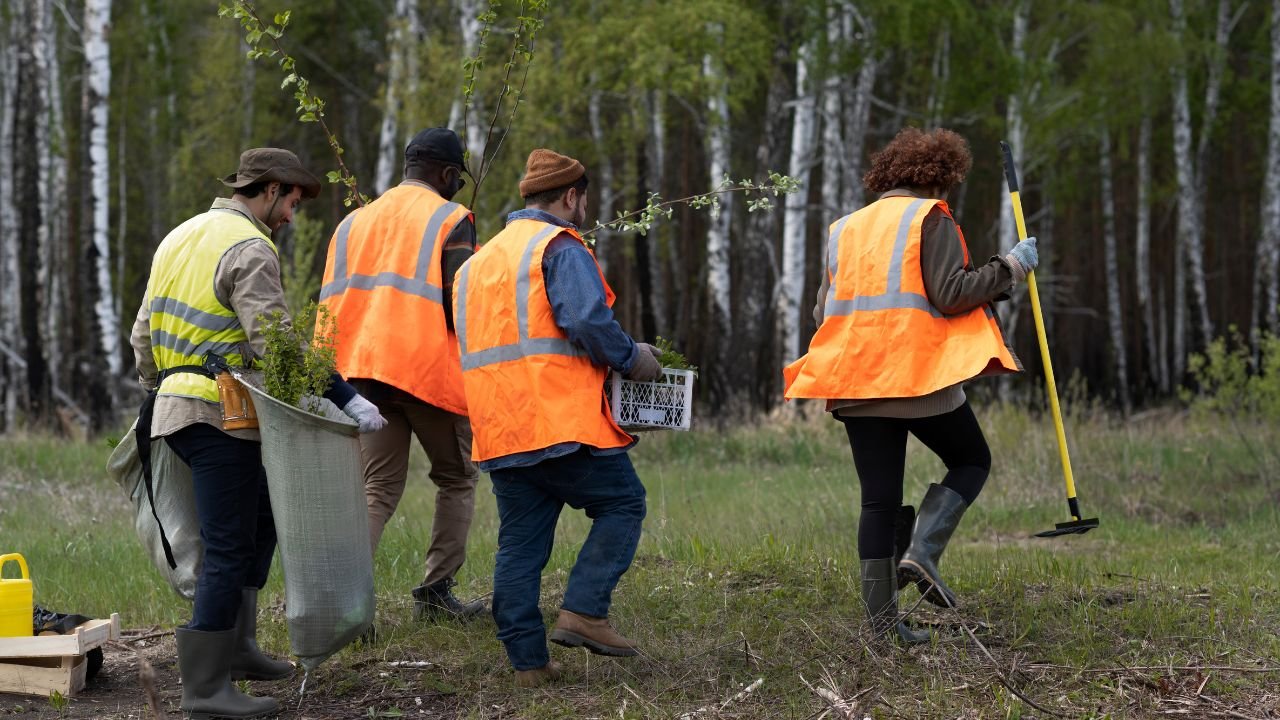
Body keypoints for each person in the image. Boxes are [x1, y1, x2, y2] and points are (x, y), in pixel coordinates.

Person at [129, 148, 387, 719]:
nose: (293, 215)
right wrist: (345, 397)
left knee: (259, 525)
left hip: (179, 411)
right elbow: (276, 343)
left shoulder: (180, 236)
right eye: (292, 201)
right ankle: (204, 690)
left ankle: (240, 650)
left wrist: (166, 383)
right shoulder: (249, 247)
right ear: (270, 190)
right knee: (228, 548)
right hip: (219, 418)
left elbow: (142, 335)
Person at [783, 127, 1038, 644]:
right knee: (972, 460)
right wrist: (1009, 266)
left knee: (878, 502)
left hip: (854, 380)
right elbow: (950, 293)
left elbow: (820, 312)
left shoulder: (844, 229)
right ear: (938, 177)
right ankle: (922, 553)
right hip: (915, 375)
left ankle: (882, 630)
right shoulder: (929, 216)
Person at [452, 148, 663, 687]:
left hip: (499, 429)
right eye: (583, 198)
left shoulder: (475, 264)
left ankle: (528, 664)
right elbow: (587, 321)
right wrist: (633, 358)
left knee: (520, 544)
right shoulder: (559, 247)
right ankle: (585, 611)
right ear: (571, 196)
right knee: (623, 503)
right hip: (559, 423)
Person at [320, 128, 485, 621]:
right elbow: (461, 303)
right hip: (427, 369)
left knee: (377, 489)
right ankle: (436, 596)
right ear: (448, 174)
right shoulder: (452, 219)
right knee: (456, 477)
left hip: (360, 375)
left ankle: (344, 602)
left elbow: (332, 303)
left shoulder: (354, 222)